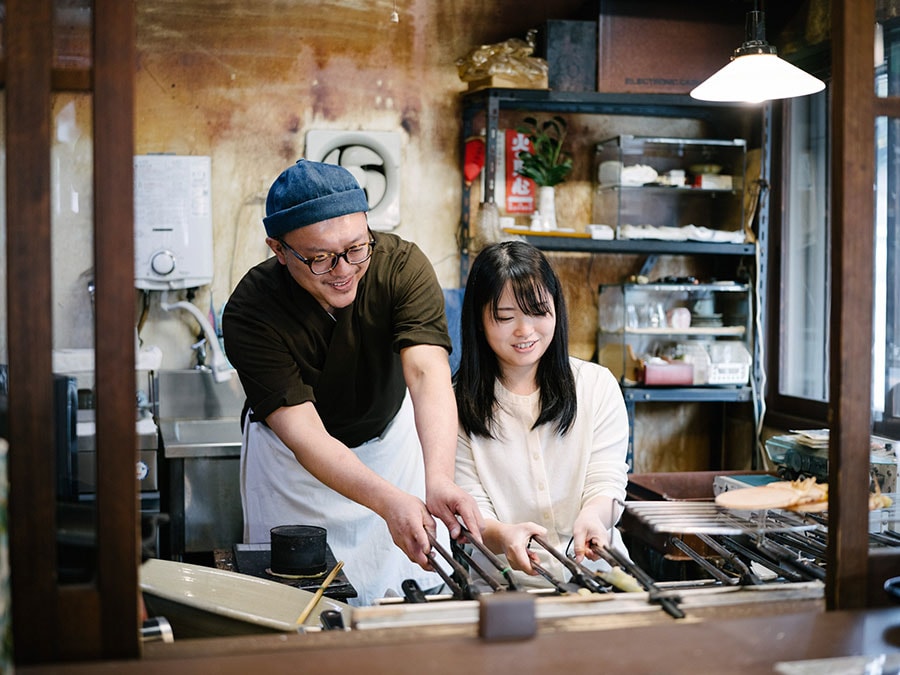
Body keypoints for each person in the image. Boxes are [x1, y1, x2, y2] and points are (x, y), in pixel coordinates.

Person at [222, 159, 482, 605]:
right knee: (295, 604)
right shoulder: (251, 311)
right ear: (279, 250)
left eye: (356, 248)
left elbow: (425, 373)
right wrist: (387, 503)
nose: (343, 269)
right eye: (320, 258)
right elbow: (304, 436)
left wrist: (437, 478)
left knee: (398, 602)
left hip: (390, 454)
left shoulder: (402, 267)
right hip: (293, 471)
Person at [454, 240, 630, 590]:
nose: (525, 330)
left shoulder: (596, 386)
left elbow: (606, 480)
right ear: (478, 320)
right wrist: (504, 535)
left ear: (556, 309)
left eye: (538, 311)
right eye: (505, 317)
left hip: (601, 578)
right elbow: (472, 508)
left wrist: (595, 517)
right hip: (505, 589)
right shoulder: (454, 404)